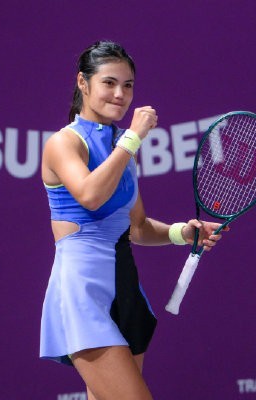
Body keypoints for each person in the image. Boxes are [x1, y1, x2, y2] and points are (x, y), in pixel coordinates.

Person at [39, 40, 228, 400]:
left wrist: (182, 232)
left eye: (127, 85)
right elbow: (91, 196)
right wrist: (132, 138)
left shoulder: (123, 149)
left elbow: (137, 226)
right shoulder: (63, 143)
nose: (120, 94)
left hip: (125, 286)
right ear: (83, 83)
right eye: (109, 83)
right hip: (83, 290)